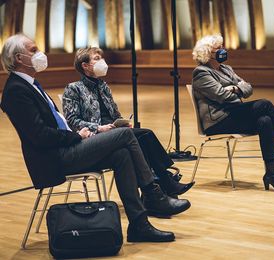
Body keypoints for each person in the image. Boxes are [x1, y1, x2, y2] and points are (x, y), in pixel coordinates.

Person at [0, 33, 191, 243]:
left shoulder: (30, 85)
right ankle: (154, 194)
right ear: (19, 58)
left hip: (66, 149)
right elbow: (39, 136)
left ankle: (139, 225)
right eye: (34, 50)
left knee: (122, 154)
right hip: (56, 158)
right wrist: (75, 136)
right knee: (126, 135)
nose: (40, 54)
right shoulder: (16, 90)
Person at [191, 35, 274, 193]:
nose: (222, 50)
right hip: (217, 121)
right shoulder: (201, 73)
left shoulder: (226, 69)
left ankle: (271, 174)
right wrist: (236, 88)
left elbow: (248, 88)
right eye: (218, 48)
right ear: (207, 53)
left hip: (233, 114)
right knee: (264, 104)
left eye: (222, 46)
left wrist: (234, 88)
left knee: (265, 120)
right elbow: (222, 96)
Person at [62, 47, 194, 198]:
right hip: (94, 136)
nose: (102, 61)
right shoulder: (73, 89)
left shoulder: (103, 85)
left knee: (141, 138)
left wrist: (122, 122)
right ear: (85, 65)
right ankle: (164, 180)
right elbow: (72, 121)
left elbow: (114, 113)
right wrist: (99, 128)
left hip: (114, 131)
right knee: (145, 134)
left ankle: (157, 186)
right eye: (97, 58)